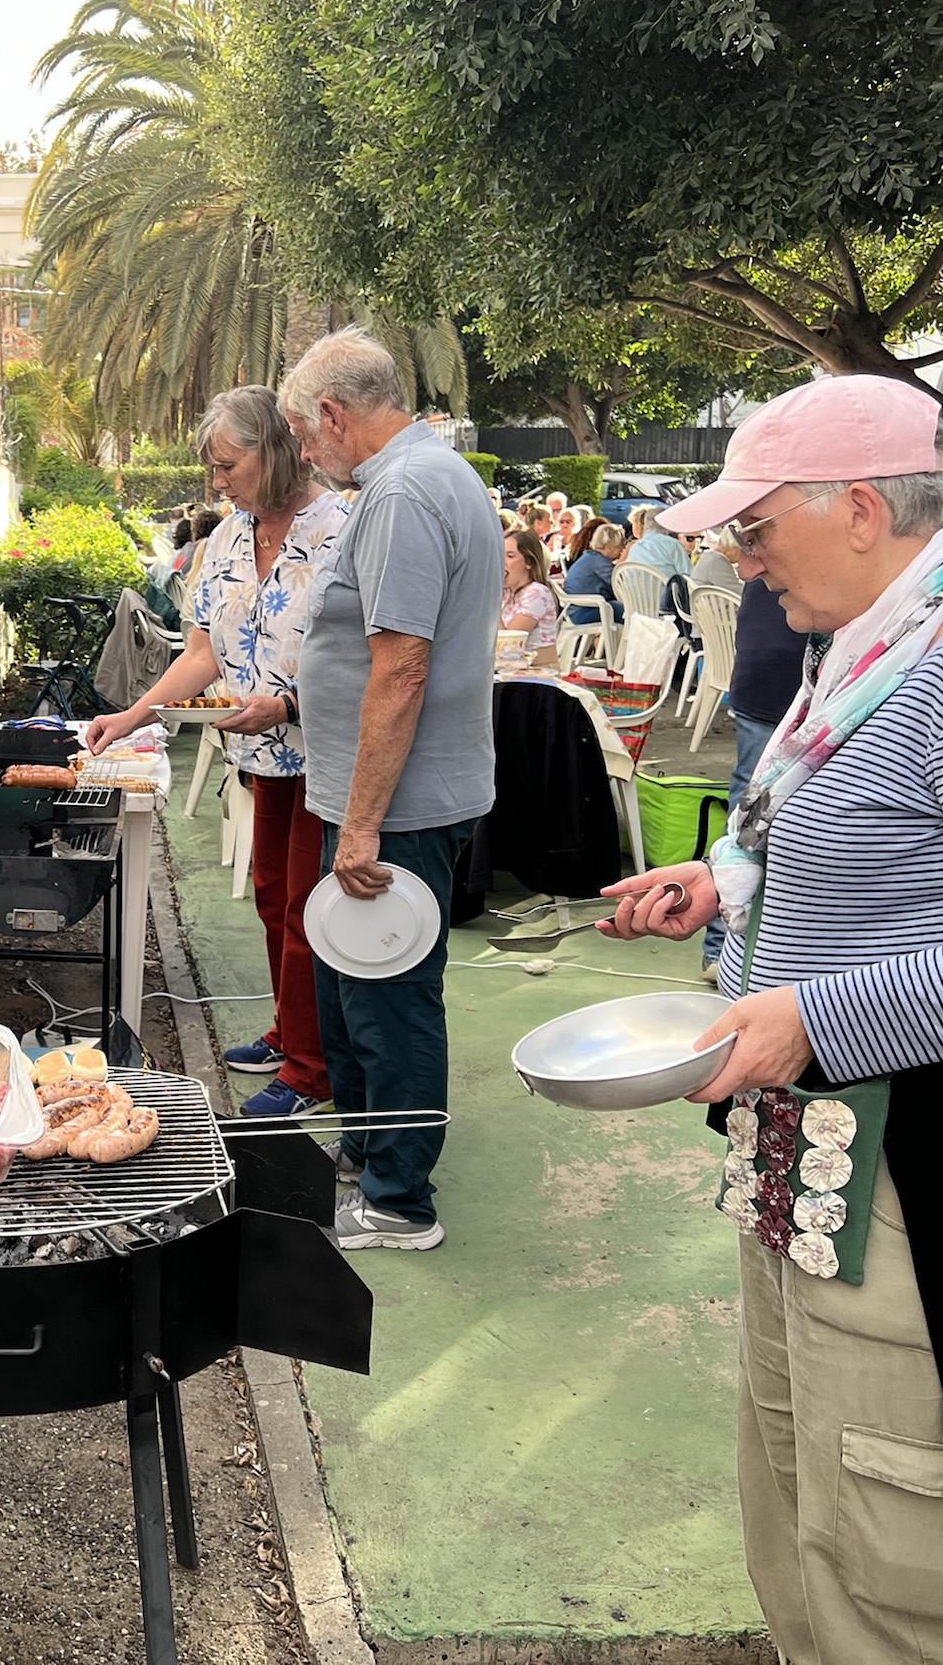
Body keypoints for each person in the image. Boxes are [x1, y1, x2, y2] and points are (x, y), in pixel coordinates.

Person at [594, 374, 943, 1665]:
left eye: (755, 530)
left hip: (933, 1182)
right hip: (816, 1161)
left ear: (859, 509)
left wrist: (813, 1017)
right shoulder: (878, 644)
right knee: (805, 1524)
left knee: (893, 1584)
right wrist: (732, 883)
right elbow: (895, 852)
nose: (742, 563)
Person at [284, 328, 500, 1251]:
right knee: (356, 991)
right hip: (385, 798)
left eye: (304, 433)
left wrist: (364, 823)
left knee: (390, 1001)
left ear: (334, 414)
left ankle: (399, 1201)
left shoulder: (405, 491)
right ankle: (372, 1151)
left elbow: (401, 667)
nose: (305, 453)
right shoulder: (420, 478)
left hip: (396, 807)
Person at [86, 387, 349, 1118]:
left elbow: (366, 658)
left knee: (308, 911)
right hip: (260, 755)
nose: (217, 480)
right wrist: (132, 715)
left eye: (228, 465)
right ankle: (289, 1033)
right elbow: (200, 653)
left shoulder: (341, 528)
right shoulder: (229, 537)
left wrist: (286, 706)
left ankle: (312, 1072)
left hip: (327, 756)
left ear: (276, 451)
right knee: (273, 899)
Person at [696, 577, 809, 974]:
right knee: (748, 823)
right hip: (782, 680)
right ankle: (721, 948)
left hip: (764, 675)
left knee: (745, 820)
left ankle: (721, 949)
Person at [500, 527, 559, 665]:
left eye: (510, 556)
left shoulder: (537, 593)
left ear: (529, 562)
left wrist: (489, 602)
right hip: (510, 670)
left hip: (538, 671)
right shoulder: (507, 593)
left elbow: (508, 645)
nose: (502, 562)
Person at [562, 518, 625, 625]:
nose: (623, 548)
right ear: (610, 545)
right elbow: (619, 584)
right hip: (584, 611)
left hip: (576, 609)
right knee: (627, 611)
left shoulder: (590, 557)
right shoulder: (599, 562)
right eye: (621, 544)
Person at [625, 502, 691, 577]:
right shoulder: (673, 544)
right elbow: (687, 574)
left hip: (636, 584)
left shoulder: (635, 548)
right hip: (665, 584)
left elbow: (626, 574)